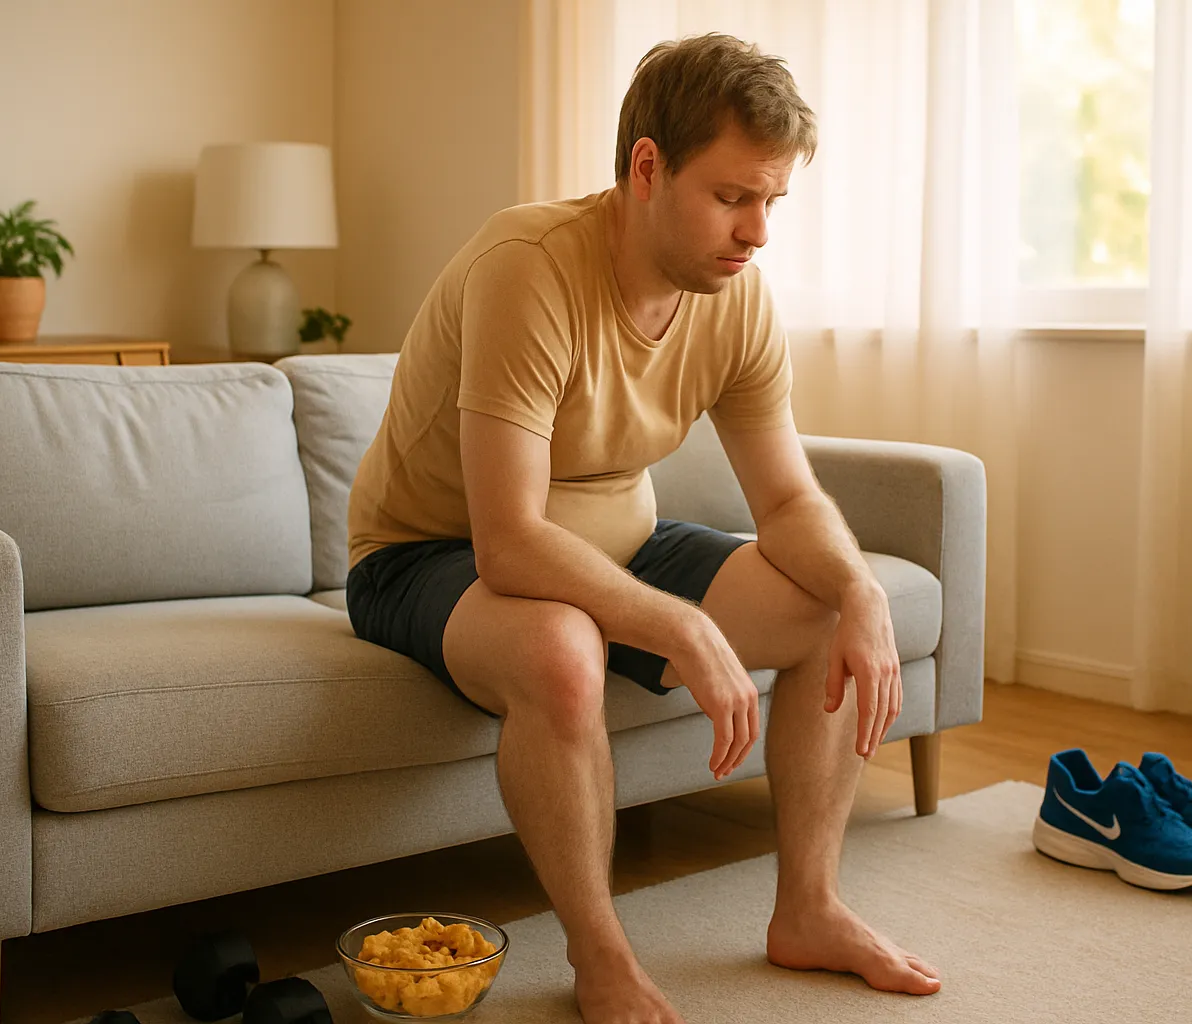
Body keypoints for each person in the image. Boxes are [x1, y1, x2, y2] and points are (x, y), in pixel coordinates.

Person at [344, 31, 942, 1024]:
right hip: (426, 556)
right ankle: (599, 952)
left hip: (617, 544)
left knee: (831, 608)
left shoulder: (736, 298)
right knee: (562, 649)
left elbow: (787, 503)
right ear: (648, 167)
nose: (757, 232)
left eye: (772, 201)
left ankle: (810, 908)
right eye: (732, 195)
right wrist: (679, 623)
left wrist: (859, 588)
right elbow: (509, 541)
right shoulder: (528, 266)